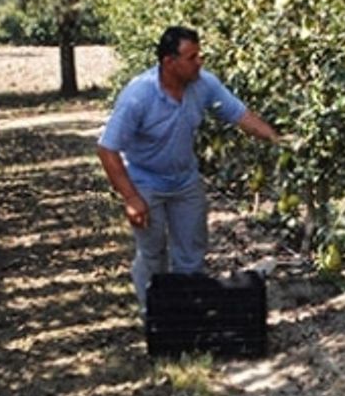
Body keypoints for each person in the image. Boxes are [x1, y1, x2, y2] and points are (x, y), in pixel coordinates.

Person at [97, 26, 282, 315]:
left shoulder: (204, 85)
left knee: (191, 254)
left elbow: (240, 115)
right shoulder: (138, 96)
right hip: (145, 182)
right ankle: (155, 317)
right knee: (152, 253)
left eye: (199, 56)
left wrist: (277, 140)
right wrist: (131, 198)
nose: (199, 62)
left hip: (185, 181)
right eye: (192, 57)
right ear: (169, 62)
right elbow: (107, 149)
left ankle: (186, 315)